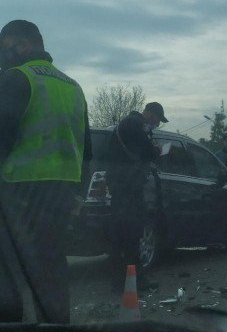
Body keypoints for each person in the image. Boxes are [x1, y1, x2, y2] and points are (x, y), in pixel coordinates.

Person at [0, 20, 92, 323]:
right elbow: (87, 152)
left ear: (22, 45)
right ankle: (57, 324)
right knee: (52, 269)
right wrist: (78, 195)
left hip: (18, 195)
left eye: (4, 51)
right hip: (61, 196)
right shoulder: (73, 86)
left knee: (9, 274)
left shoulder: (17, 78)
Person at [105, 101, 168, 290]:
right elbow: (144, 151)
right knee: (131, 234)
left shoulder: (128, 123)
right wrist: (156, 151)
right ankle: (131, 282)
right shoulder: (134, 124)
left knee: (124, 235)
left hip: (123, 186)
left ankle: (126, 281)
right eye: (157, 120)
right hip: (127, 187)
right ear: (150, 114)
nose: (157, 124)